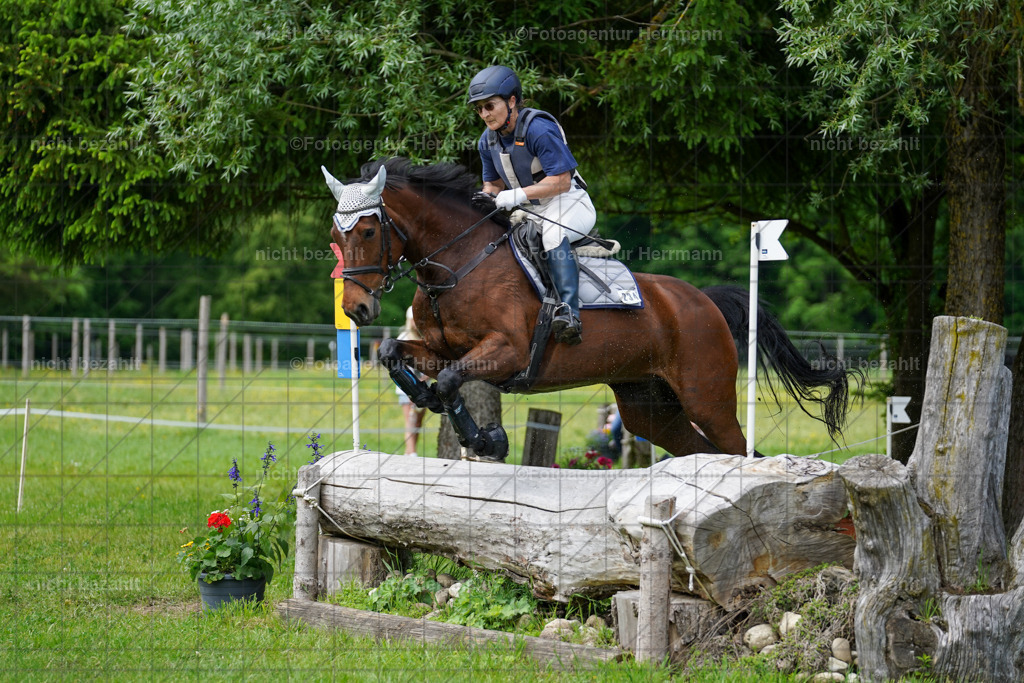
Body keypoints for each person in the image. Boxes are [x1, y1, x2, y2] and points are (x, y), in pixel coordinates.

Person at [469, 65, 596, 345]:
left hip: (568, 203)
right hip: (531, 211)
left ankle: (570, 313)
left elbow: (562, 181)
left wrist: (516, 196)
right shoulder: (487, 141)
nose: (485, 114)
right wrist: (486, 197)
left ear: (511, 100)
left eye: (489, 105)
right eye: (479, 109)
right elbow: (493, 185)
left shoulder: (539, 128)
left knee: (553, 235)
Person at [395, 306, 426, 456]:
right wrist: (411, 386)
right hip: (406, 388)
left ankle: (409, 453)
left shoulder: (425, 340)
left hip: (423, 387)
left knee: (418, 423)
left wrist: (425, 379)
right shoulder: (404, 339)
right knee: (410, 421)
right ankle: (412, 453)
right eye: (414, 319)